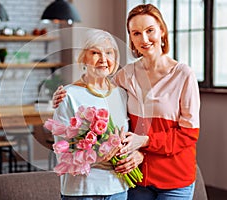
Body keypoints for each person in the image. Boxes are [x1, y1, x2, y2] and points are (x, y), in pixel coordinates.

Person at [53, 4, 200, 200]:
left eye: (150, 31)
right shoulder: (126, 75)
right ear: (131, 37)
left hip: (174, 179)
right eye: (136, 33)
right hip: (136, 180)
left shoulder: (183, 75)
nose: (144, 39)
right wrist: (66, 93)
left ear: (162, 31)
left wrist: (145, 143)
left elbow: (188, 135)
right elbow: (96, 86)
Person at [52, 28, 144, 200]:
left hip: (118, 188)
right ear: (83, 58)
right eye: (95, 53)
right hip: (83, 190)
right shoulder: (68, 96)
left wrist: (133, 154)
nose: (103, 59)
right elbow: (62, 153)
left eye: (109, 53)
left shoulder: (122, 94)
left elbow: (129, 138)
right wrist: (96, 158)